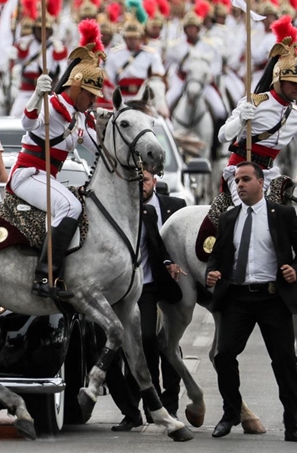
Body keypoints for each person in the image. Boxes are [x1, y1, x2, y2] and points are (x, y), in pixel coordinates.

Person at [205, 161, 297, 443]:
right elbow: (216, 255)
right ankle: (231, 413)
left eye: (245, 179)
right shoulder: (229, 217)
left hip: (272, 298)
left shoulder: (282, 215)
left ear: (261, 182)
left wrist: (296, 270)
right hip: (237, 298)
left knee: (285, 360)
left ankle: (292, 423)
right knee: (224, 355)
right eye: (237, 180)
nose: (239, 185)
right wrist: (212, 272)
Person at [8, 38, 105, 300]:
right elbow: (28, 124)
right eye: (90, 95)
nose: (93, 101)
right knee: (70, 206)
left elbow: (98, 150)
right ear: (77, 88)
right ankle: (44, 276)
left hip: (47, 177)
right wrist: (36, 95)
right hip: (28, 174)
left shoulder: (82, 115)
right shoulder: (52, 105)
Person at [217, 15, 297, 205]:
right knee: (246, 212)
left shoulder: (295, 115)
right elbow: (222, 136)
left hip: (269, 175)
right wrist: (241, 120)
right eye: (292, 84)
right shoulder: (255, 102)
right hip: (241, 171)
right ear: (278, 81)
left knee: (293, 212)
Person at [109, 171, 187, 431]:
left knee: (157, 341)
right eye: (134, 180)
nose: (140, 184)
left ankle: (164, 403)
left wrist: (170, 264)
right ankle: (133, 411)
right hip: (118, 290)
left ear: (155, 181)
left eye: (144, 179)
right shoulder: (116, 211)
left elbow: (160, 248)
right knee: (119, 352)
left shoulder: (157, 211)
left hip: (155, 287)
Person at [10, 0, 68, 118]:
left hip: (48, 90)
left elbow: (63, 69)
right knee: (14, 115)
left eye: (45, 29)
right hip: (26, 89)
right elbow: (16, 64)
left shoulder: (57, 45)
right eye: (39, 29)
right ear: (34, 29)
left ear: (50, 31)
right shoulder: (24, 42)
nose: (42, 32)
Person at [104, 20, 166, 103]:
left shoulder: (152, 55)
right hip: (121, 97)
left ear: (141, 38)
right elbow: (110, 79)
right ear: (124, 38)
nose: (132, 41)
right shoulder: (114, 54)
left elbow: (157, 78)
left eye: (135, 38)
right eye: (130, 38)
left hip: (145, 98)